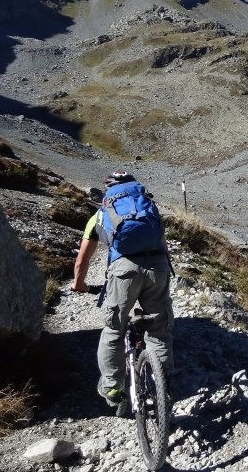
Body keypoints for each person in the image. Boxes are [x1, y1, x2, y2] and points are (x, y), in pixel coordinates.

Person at [71, 171, 174, 406]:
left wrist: (79, 283)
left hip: (123, 271)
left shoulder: (100, 214)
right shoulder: (149, 208)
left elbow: (82, 259)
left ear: (109, 190)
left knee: (114, 329)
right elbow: (162, 243)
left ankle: (112, 387)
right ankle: (162, 385)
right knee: (159, 329)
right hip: (158, 267)